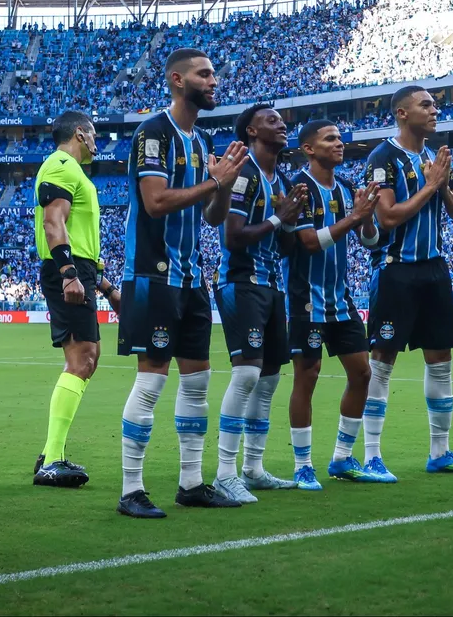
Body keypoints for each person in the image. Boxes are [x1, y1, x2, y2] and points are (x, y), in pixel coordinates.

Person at [116, 48, 249, 519]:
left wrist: (226, 184)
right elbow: (155, 203)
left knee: (198, 383)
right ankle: (131, 489)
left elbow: (212, 215)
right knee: (151, 382)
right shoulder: (153, 133)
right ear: (177, 80)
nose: (214, 81)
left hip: (191, 278)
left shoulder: (200, 139)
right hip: (154, 275)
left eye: (214, 73)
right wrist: (214, 182)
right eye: (204, 74)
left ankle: (190, 483)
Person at [361, 85, 453, 480]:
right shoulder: (384, 158)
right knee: (382, 362)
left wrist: (442, 184)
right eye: (425, 105)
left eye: (434, 105)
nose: (434, 110)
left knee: (441, 361)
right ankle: (373, 455)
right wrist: (430, 186)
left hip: (434, 270)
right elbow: (387, 218)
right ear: (401, 113)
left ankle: (440, 452)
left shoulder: (437, 158)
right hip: (396, 270)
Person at [210, 104, 307, 503]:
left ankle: (253, 468)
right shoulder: (244, 174)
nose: (282, 123)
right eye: (271, 120)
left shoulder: (278, 179)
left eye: (283, 119)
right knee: (247, 376)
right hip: (241, 281)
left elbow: (283, 245)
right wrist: (277, 218)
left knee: (267, 382)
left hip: (271, 285)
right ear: (251, 130)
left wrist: (289, 221)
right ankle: (224, 473)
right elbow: (232, 236)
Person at [285, 119, 385, 490]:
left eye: (341, 138)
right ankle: (302, 465)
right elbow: (309, 242)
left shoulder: (345, 190)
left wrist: (367, 218)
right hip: (305, 299)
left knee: (362, 374)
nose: (339, 144)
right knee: (306, 377)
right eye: (330, 139)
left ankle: (342, 457)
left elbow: (370, 241)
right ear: (309, 149)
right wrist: (355, 218)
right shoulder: (299, 189)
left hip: (340, 300)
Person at [31, 111, 123, 488]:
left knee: (90, 356)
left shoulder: (72, 171)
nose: (97, 142)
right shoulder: (62, 164)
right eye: (95, 135)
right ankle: (52, 459)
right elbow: (55, 221)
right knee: (81, 358)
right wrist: (69, 272)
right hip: (66, 269)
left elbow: (79, 237)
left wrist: (105, 287)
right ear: (81, 134)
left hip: (79, 269)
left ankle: (52, 453)